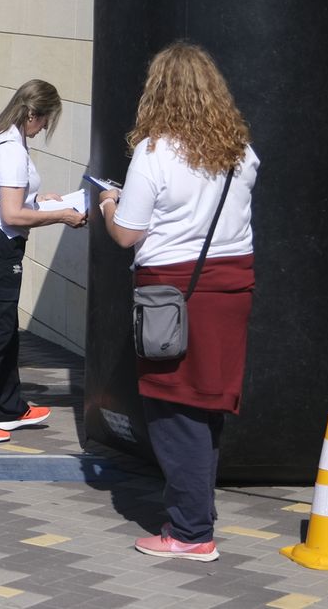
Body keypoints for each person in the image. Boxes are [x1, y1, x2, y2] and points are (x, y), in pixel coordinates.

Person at [98, 43, 257, 562]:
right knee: (207, 405)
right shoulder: (240, 150)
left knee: (174, 410)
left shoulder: (155, 152)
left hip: (172, 291)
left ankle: (190, 533)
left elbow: (128, 234)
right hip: (231, 288)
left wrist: (107, 204)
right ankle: (195, 519)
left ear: (157, 91)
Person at [0, 79, 86, 444]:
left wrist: (42, 199)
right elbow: (11, 214)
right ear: (32, 114)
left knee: (3, 330)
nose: (42, 131)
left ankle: (8, 408)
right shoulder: (11, 149)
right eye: (44, 122)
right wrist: (61, 216)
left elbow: (2, 196)